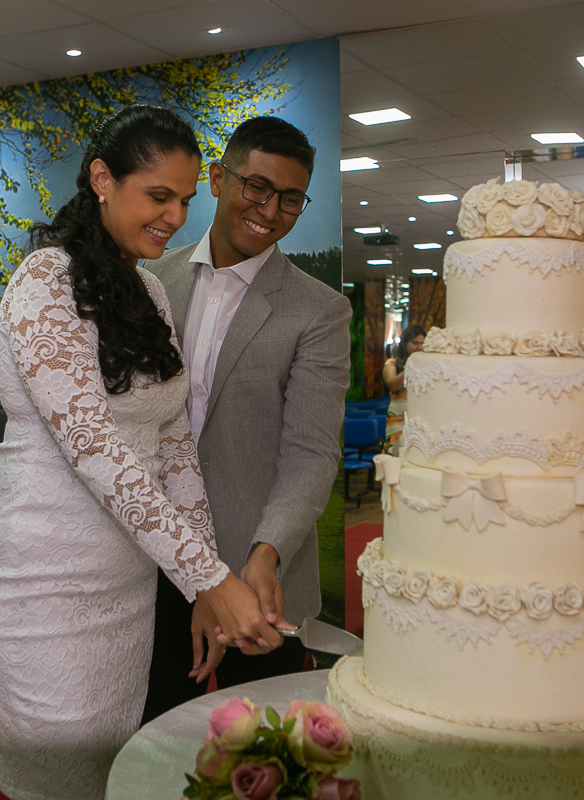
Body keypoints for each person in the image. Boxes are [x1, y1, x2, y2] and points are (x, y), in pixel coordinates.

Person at [0, 105, 281, 800]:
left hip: (125, 598)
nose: (175, 217)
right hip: (39, 592)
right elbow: (98, 452)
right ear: (102, 179)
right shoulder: (43, 282)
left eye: (186, 200)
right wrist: (209, 579)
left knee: (111, 781)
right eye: (158, 195)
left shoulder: (150, 290)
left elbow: (175, 448)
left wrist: (200, 581)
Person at [141, 116, 351, 722]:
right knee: (156, 735)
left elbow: (310, 452)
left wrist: (268, 551)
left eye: (290, 198)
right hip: (155, 565)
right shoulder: (150, 282)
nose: (270, 210)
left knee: (261, 747)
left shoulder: (319, 311)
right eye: (257, 187)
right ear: (217, 178)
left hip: (259, 576)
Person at [382, 324, 426, 417]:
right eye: (415, 343)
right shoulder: (391, 363)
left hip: (421, 415)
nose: (419, 347)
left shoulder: (426, 366)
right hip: (397, 416)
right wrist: (412, 367)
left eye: (422, 344)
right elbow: (393, 385)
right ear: (405, 343)